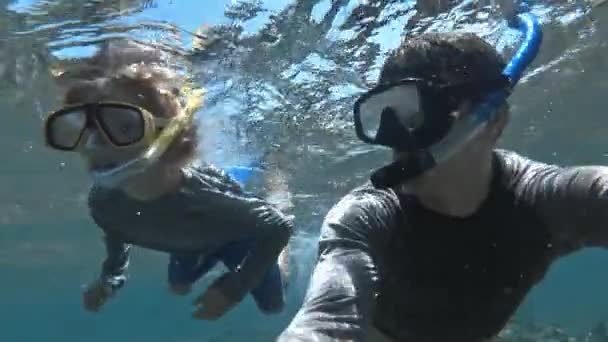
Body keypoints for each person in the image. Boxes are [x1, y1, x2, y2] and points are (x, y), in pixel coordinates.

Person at [278, 31, 608, 342]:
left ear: (493, 121)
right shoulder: (364, 217)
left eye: (417, 115)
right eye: (385, 118)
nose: (398, 141)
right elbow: (324, 320)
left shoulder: (543, 199)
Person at [44, 39, 293, 320]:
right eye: (78, 127)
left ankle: (276, 189)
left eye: (125, 126)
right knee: (178, 288)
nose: (95, 145)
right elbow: (117, 244)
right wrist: (108, 282)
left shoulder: (205, 199)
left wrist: (234, 288)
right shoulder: (102, 204)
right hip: (191, 240)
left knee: (273, 305)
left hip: (237, 233)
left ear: (171, 136)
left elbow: (278, 226)